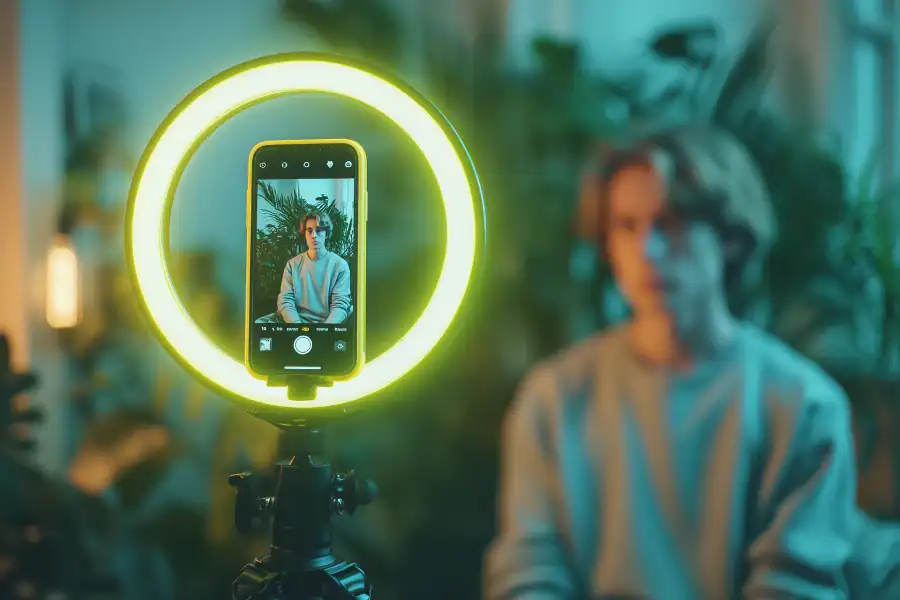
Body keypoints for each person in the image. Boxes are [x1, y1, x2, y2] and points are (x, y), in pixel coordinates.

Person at [483, 124, 863, 599]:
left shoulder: (803, 406)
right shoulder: (554, 397)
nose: (648, 251)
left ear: (730, 237)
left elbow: (793, 585)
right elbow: (530, 574)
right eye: (626, 226)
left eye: (671, 224)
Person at [276, 211, 352, 324]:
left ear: (326, 233)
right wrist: (297, 326)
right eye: (309, 231)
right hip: (296, 323)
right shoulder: (292, 264)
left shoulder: (339, 265)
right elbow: (286, 301)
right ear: (305, 234)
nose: (314, 235)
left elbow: (340, 304)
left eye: (319, 230)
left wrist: (325, 330)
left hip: (328, 324)